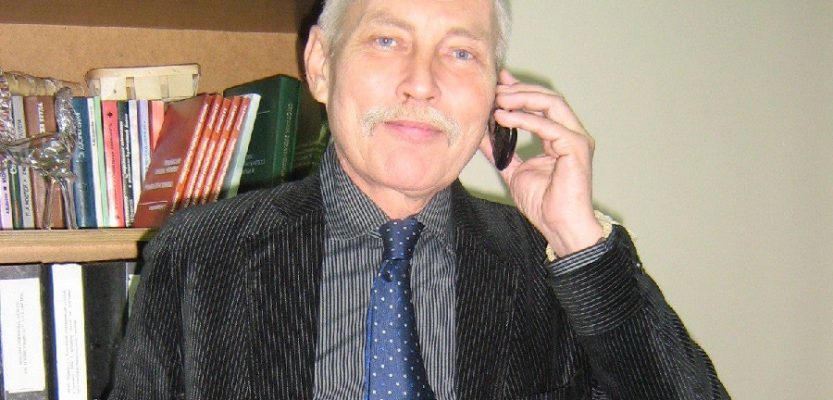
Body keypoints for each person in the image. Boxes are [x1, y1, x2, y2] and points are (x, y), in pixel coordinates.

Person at [109, 0, 729, 399]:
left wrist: (577, 239)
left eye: (461, 53)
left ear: (495, 93)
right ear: (321, 64)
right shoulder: (199, 254)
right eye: (387, 41)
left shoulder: (554, 266)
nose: (422, 84)